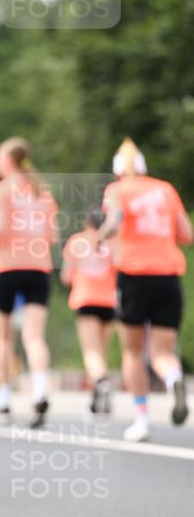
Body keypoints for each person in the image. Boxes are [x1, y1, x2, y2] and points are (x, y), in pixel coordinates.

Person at [98, 139, 192, 441]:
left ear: (117, 171)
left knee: (133, 351)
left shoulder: (117, 190)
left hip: (134, 276)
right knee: (162, 352)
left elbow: (114, 221)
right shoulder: (165, 189)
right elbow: (186, 234)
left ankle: (141, 420)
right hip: (168, 276)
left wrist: (100, 238)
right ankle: (174, 378)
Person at [0, 137, 59, 428]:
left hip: (7, 266)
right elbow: (52, 236)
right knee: (34, 336)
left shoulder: (2, 190)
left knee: (4, 337)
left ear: (7, 161)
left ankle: (4, 402)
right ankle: (40, 389)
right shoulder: (43, 192)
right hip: (38, 267)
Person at [60, 210, 117, 415]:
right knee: (102, 351)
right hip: (109, 301)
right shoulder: (112, 242)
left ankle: (101, 382)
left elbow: (66, 276)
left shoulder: (77, 242)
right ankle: (96, 399)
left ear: (87, 223)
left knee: (91, 351)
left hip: (86, 300)